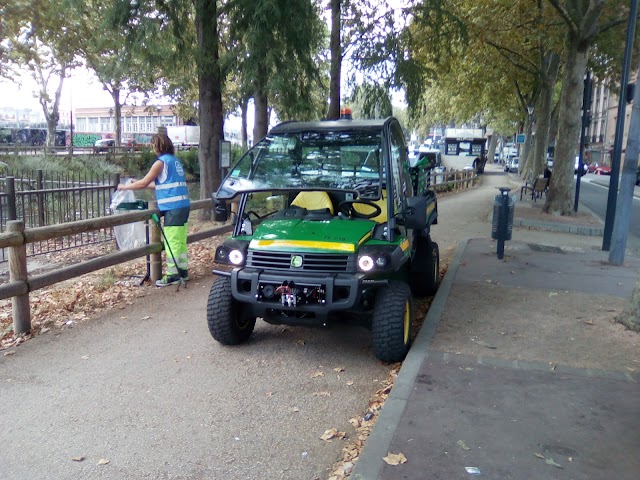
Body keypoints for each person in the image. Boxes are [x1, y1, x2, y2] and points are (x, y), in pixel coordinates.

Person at [117, 133, 190, 287]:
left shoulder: (160, 163)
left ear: (157, 145)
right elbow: (160, 185)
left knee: (172, 241)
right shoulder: (174, 161)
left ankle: (173, 275)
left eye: (153, 145)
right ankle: (182, 270)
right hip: (182, 205)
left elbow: (143, 183)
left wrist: (125, 187)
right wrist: (137, 182)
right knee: (180, 240)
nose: (152, 149)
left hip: (173, 208)